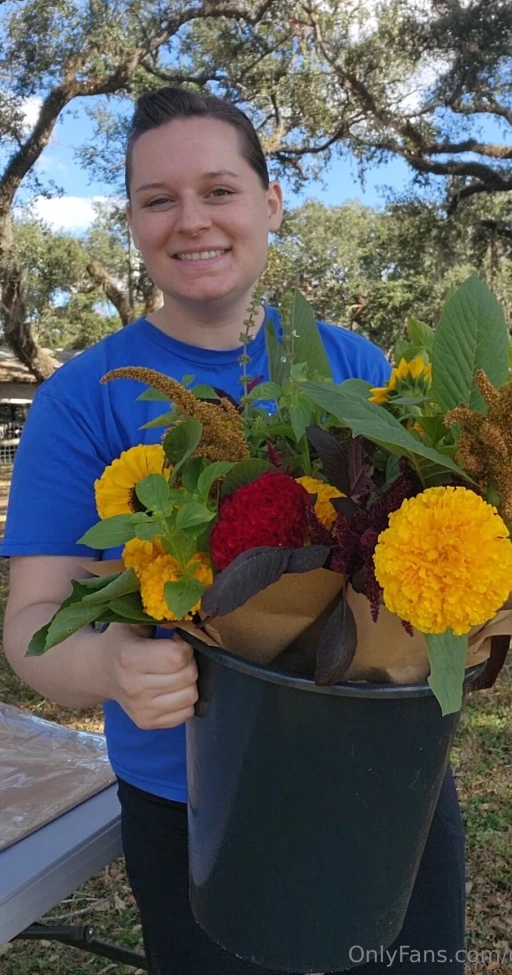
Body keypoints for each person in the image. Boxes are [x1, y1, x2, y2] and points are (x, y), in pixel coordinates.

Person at [1, 87, 466, 975]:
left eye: (219, 189)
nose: (191, 220)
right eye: (158, 199)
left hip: (385, 782)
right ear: (132, 222)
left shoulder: (360, 370)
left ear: (270, 203)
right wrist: (108, 666)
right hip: (198, 805)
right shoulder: (81, 401)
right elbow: (32, 626)